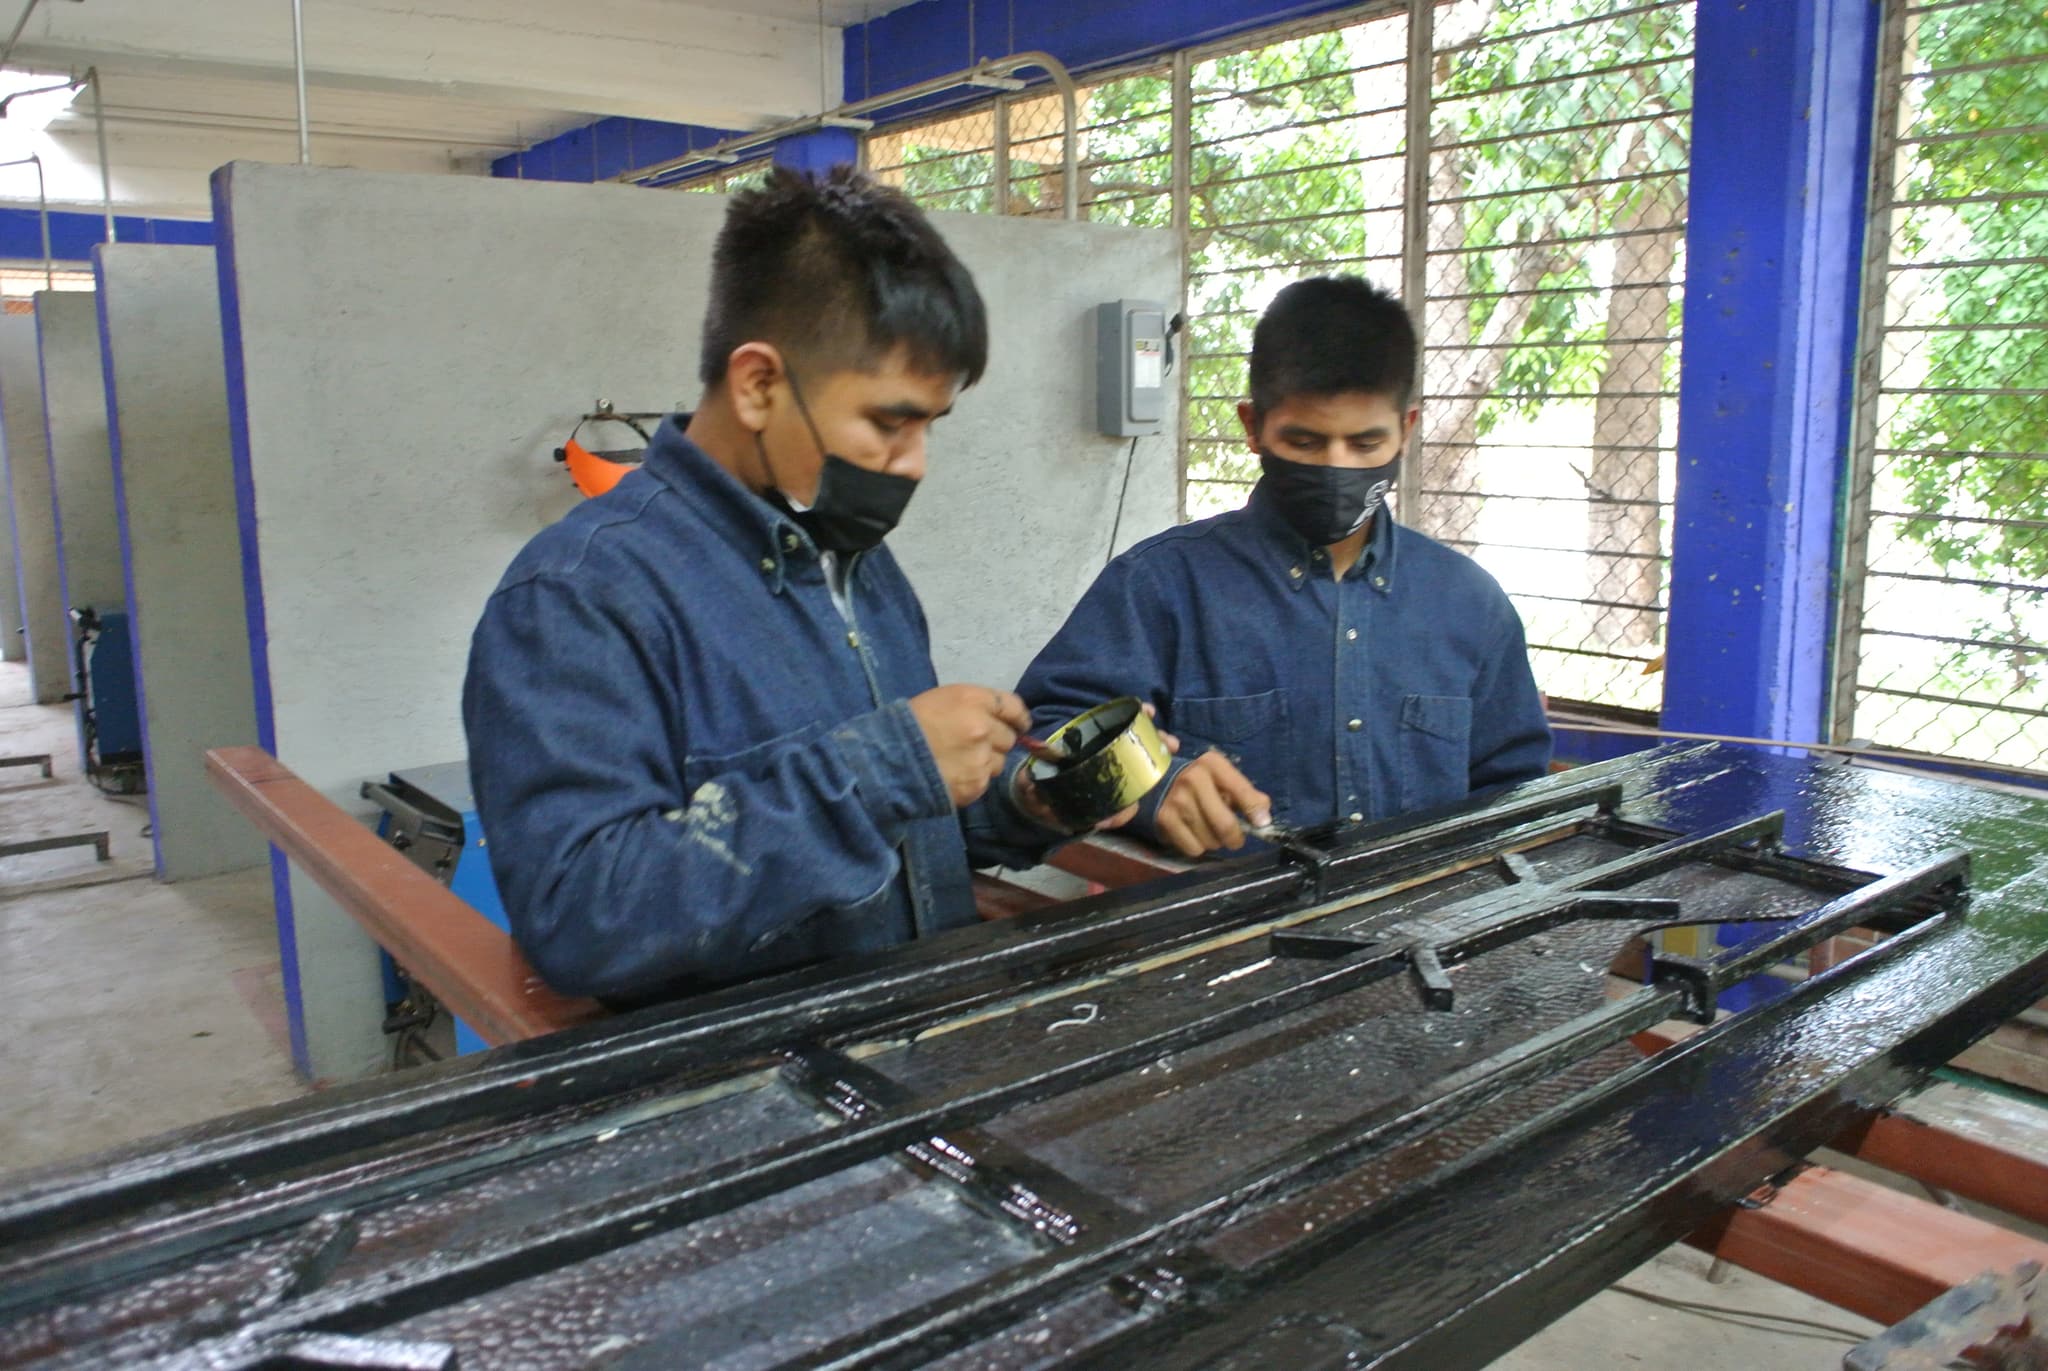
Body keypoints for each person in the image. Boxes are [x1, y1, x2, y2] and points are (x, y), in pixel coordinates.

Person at [463, 166, 1090, 1005]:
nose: (914, 465)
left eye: (930, 427)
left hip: (912, 1050)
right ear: (759, 384)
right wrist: (883, 770)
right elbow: (584, 919)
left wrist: (1021, 799)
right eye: (887, 422)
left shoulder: (860, 568)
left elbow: (890, 835)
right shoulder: (578, 598)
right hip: (749, 1102)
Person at [1017, 275, 1551, 858]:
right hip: (1223, 933)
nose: (1336, 467)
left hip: (1422, 931)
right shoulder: (1161, 587)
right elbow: (1048, 739)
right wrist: (1154, 787)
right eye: (1305, 442)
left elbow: (1514, 791)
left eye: (1365, 445)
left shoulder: (1468, 604)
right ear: (1253, 427)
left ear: (1406, 431)